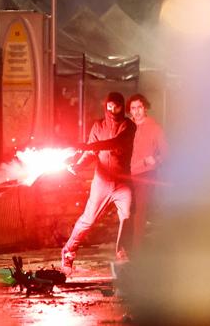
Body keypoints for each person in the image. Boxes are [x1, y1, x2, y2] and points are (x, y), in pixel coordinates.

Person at [62, 92, 136, 274]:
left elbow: (115, 143)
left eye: (117, 106)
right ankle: (68, 254)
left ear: (122, 106)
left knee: (127, 217)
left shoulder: (129, 125)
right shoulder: (98, 126)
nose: (112, 110)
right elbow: (90, 153)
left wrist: (87, 146)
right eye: (109, 106)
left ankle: (123, 256)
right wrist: (78, 165)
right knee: (88, 220)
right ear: (105, 106)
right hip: (102, 182)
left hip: (123, 184)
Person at [127, 94, 168, 252]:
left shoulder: (154, 128)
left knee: (140, 213)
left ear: (145, 108)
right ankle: (125, 246)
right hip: (127, 175)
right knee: (127, 212)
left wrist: (155, 160)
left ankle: (136, 250)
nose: (136, 112)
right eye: (133, 108)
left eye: (139, 107)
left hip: (145, 175)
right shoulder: (127, 126)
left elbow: (166, 153)